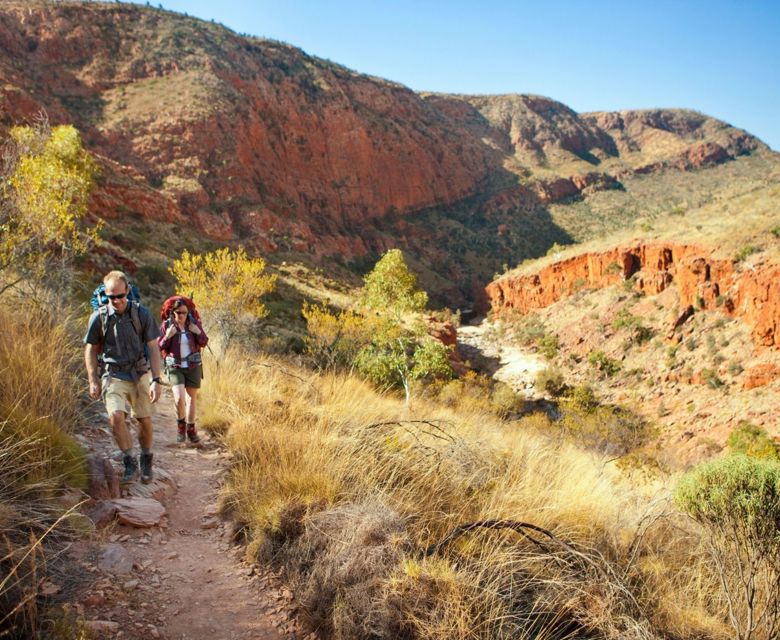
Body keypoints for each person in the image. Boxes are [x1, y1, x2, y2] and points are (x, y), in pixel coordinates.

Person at [84, 271, 164, 484]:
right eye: (111, 297)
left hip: (139, 372)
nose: (116, 301)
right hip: (113, 374)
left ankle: (146, 457)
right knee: (116, 417)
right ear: (106, 295)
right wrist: (93, 380)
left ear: (127, 291)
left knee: (144, 420)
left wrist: (156, 380)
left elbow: (153, 348)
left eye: (120, 296)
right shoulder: (99, 317)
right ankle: (129, 460)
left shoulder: (142, 314)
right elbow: (90, 349)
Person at [158, 297, 208, 444]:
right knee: (179, 398)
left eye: (184, 313)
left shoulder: (193, 324)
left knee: (191, 399)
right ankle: (181, 427)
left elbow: (204, 341)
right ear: (173, 312)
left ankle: (191, 429)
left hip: (193, 364)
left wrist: (197, 331)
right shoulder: (167, 325)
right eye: (178, 312)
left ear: (188, 313)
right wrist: (168, 336)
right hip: (175, 365)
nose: (181, 316)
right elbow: (159, 346)